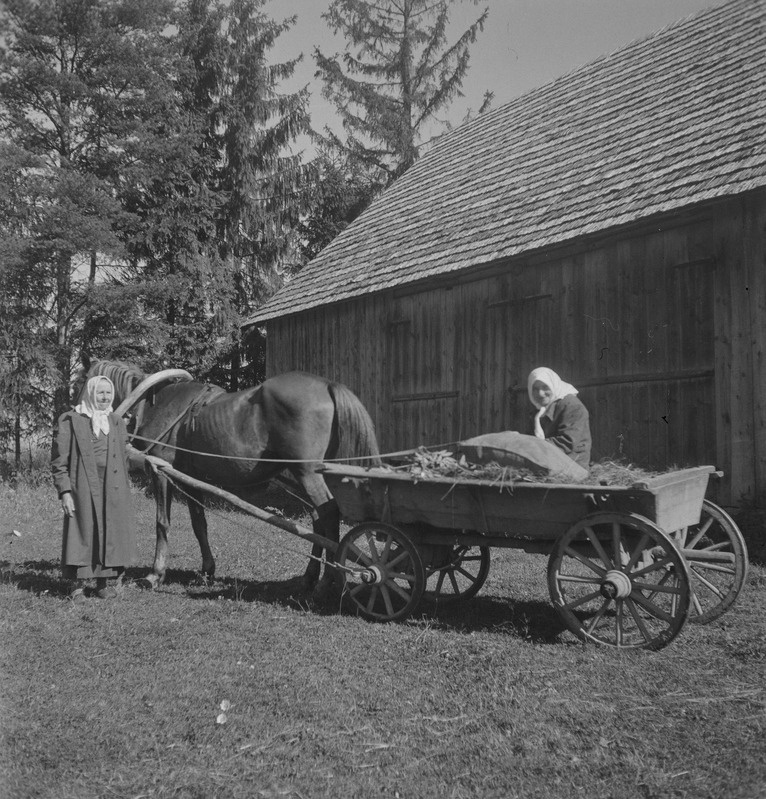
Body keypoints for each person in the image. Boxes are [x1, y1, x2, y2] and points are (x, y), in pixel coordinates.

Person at [51, 375, 138, 602]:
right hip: (82, 485)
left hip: (112, 487)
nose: (104, 397)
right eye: (100, 392)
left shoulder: (116, 422)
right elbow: (59, 462)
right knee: (82, 531)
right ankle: (77, 587)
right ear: (90, 393)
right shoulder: (71, 420)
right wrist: (65, 492)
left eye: (108, 393)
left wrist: (149, 461)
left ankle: (102, 584)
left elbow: (126, 454)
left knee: (109, 531)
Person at [527, 367, 592, 470]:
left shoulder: (572, 406)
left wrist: (532, 447)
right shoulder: (539, 411)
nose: (540, 393)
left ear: (553, 385)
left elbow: (567, 442)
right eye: (535, 389)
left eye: (545, 387)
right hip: (548, 463)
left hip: (572, 467)